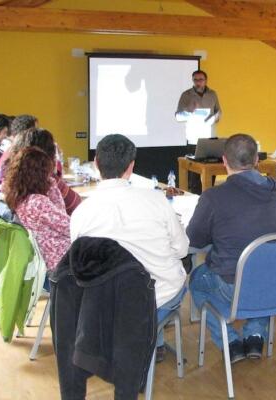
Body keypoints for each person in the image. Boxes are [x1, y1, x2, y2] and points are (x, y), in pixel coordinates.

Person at [70, 134, 189, 360]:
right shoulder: (157, 200)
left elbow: (79, 262)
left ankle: (144, 343)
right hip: (158, 296)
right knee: (178, 272)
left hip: (106, 300)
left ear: (96, 163)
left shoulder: (81, 213)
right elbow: (182, 250)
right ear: (131, 166)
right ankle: (153, 342)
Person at [187, 133, 276, 363]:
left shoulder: (213, 197)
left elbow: (193, 240)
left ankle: (230, 340)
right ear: (256, 161)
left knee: (196, 280)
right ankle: (255, 333)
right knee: (263, 270)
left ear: (224, 161)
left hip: (234, 286)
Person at [3, 146, 70, 272]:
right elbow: (70, 227)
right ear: (39, 174)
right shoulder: (38, 202)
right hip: (59, 258)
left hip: (46, 254)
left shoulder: (19, 196)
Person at [0, 114, 39, 188]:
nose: (38, 135)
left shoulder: (11, 150)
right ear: (28, 133)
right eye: (35, 131)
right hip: (8, 196)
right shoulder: (19, 154)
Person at [175, 69, 221, 145]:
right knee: (193, 157)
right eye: (195, 80)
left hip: (210, 136)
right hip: (193, 137)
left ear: (206, 80)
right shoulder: (186, 95)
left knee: (211, 157)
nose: (198, 82)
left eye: (201, 79)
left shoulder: (212, 94)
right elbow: (178, 116)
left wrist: (215, 117)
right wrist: (189, 111)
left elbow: (218, 112)